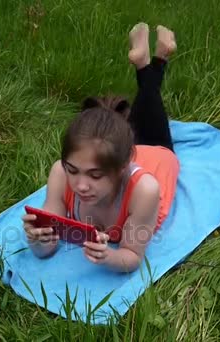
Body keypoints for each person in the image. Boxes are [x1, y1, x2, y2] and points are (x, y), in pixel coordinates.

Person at [22, 22, 180, 273]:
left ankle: (154, 61)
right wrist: (37, 241)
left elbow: (132, 256)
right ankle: (150, 62)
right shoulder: (60, 174)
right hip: (111, 152)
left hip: (158, 156)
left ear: (123, 165)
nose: (80, 185)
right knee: (141, 111)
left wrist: (110, 258)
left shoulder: (145, 191)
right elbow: (46, 249)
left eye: (95, 175)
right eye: (73, 170)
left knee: (151, 109)